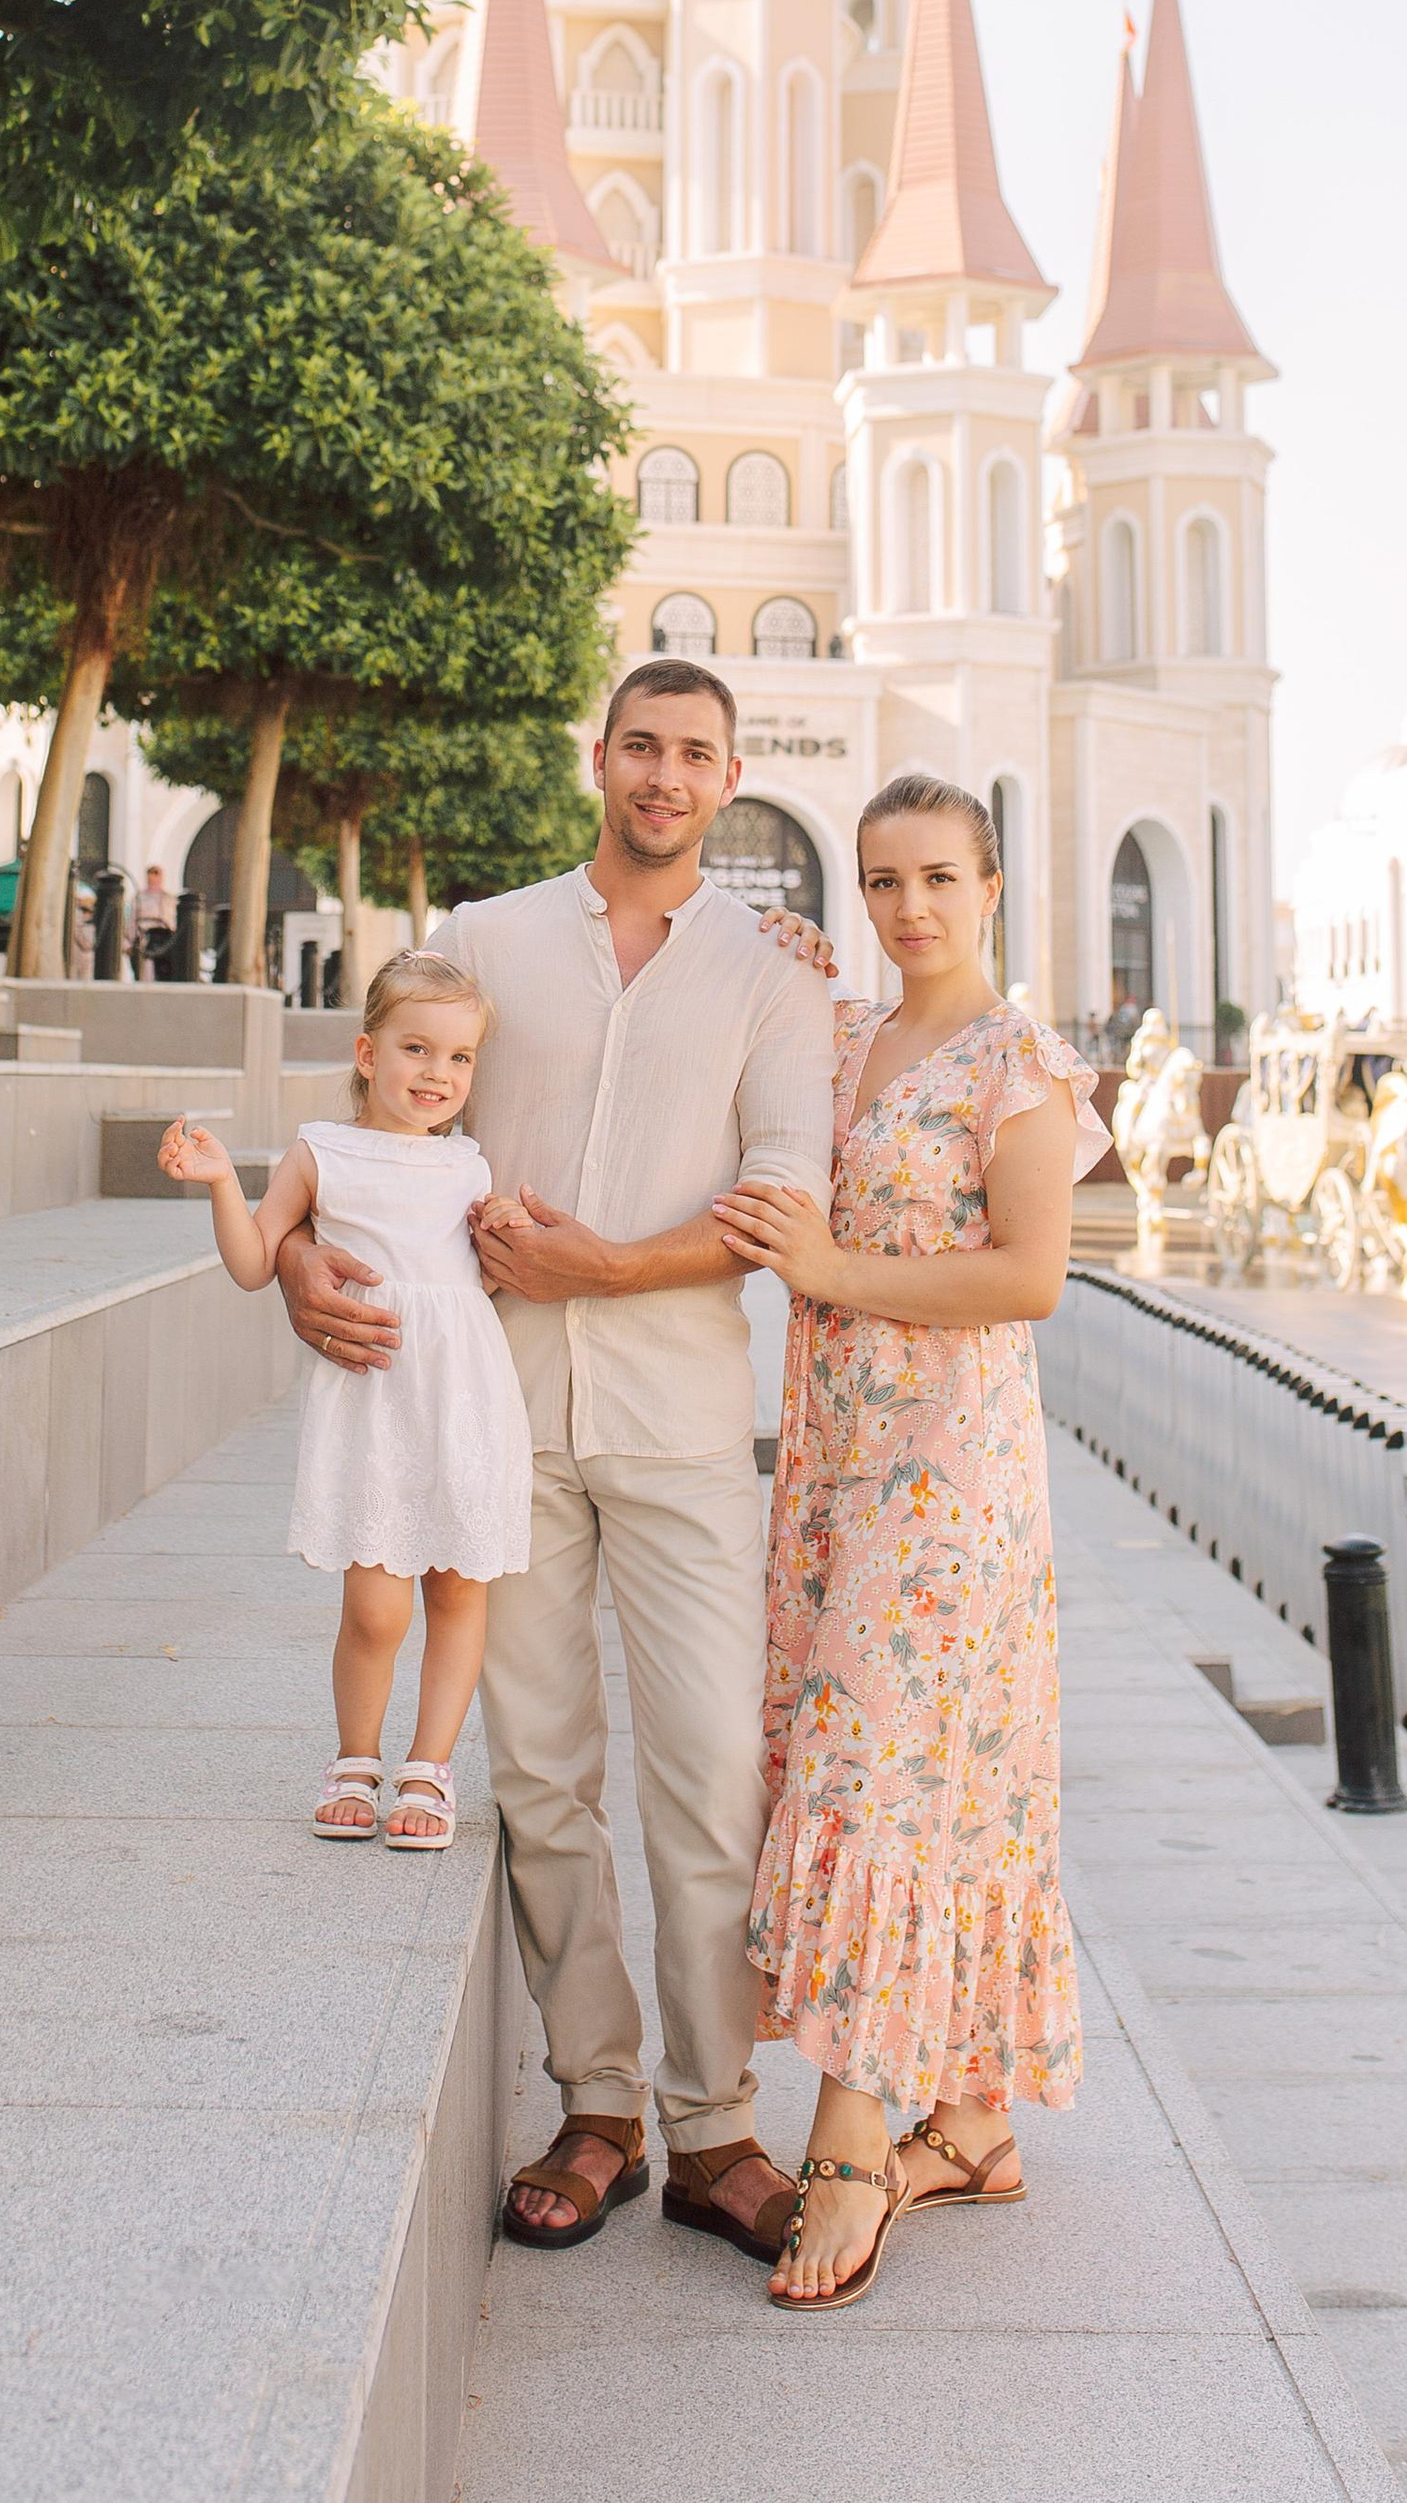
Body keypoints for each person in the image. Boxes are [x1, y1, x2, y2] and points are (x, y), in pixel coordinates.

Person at [277, 658, 834, 2261]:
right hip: (488, 1422)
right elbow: (380, 1138)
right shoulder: (487, 940)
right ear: (601, 759)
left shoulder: (775, 973)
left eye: (696, 756)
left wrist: (607, 1268)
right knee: (539, 1774)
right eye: (642, 747)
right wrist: (306, 1266)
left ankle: (717, 2124)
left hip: (675, 1416)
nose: (665, 776)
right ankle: (598, 2105)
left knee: (711, 1775)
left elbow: (782, 1197)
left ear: (732, 779)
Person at [717, 774, 1101, 2315]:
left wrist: (830, 1263)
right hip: (836, 1465)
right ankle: (979, 2119)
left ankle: (858, 2141)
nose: (909, 908)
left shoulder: (1022, 1064)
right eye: (883, 881)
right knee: (931, 1778)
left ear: (992, 883)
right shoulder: (849, 1038)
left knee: (876, 1770)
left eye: (937, 877)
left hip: (949, 1483)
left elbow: (1029, 1279)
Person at [157, 950, 531, 1851]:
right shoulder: (323, 1153)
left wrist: (514, 1231)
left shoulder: (473, 1167)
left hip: (464, 1398)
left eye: (459, 1058)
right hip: (375, 1400)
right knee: (376, 1604)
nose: (437, 1075)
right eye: (416, 1050)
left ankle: (429, 1767)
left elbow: (491, 1280)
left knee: (458, 1589)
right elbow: (256, 1265)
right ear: (368, 1055)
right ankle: (354, 1756)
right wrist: (219, 1183)